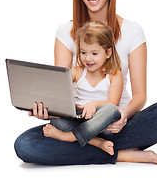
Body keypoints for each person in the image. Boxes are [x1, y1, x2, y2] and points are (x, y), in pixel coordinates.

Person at [14, 0, 157, 166]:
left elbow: (140, 96)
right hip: (77, 121)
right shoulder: (64, 32)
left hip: (118, 123)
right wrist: (46, 110)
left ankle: (89, 145)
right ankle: (118, 153)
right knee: (25, 144)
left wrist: (123, 115)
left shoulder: (132, 31)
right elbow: (59, 92)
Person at [43, 21, 123, 155]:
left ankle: (67, 137)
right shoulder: (76, 72)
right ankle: (96, 142)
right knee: (57, 122)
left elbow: (113, 103)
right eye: (83, 52)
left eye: (94, 53)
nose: (88, 58)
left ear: (108, 53)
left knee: (113, 111)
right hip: (78, 120)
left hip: (101, 123)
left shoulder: (114, 74)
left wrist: (94, 105)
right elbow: (57, 91)